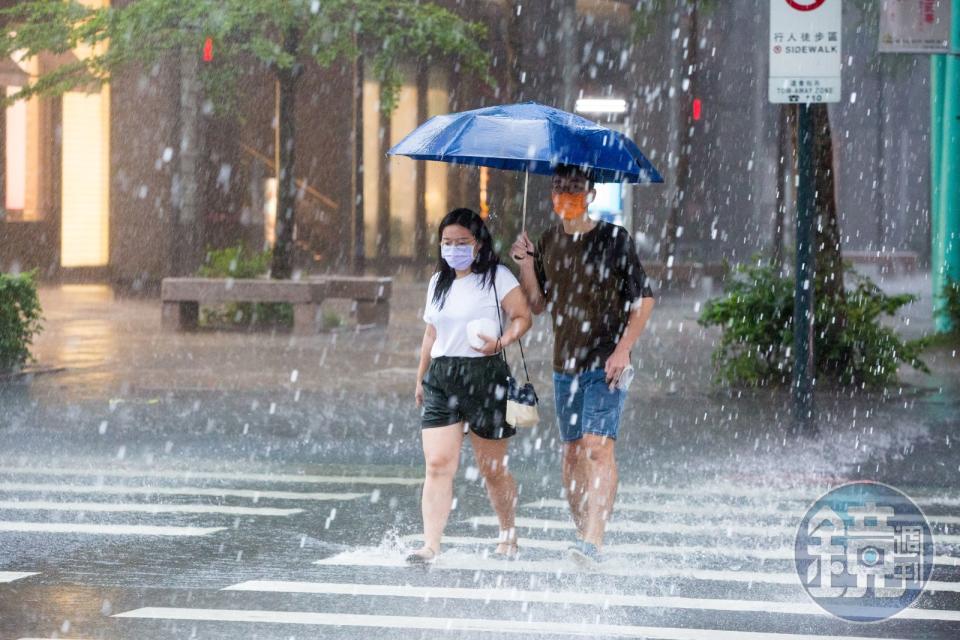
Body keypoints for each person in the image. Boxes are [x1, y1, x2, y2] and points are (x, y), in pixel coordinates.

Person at [511, 165, 655, 567]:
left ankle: (594, 540)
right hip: (565, 365)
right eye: (558, 188)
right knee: (573, 452)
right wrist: (526, 262)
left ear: (591, 194)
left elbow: (644, 300)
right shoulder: (548, 241)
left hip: (606, 362)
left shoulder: (614, 240)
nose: (565, 195)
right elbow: (539, 305)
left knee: (597, 448)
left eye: (574, 188)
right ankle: (582, 529)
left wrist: (623, 349)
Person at [407, 208, 532, 564]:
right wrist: (420, 377)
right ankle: (430, 544)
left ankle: (508, 533)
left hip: (486, 376)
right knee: (437, 464)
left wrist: (502, 341)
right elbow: (431, 333)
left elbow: (524, 317)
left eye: (462, 242)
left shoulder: (497, 277)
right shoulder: (438, 283)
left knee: (492, 469)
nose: (454, 249)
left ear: (478, 244)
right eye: (447, 242)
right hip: (442, 379)